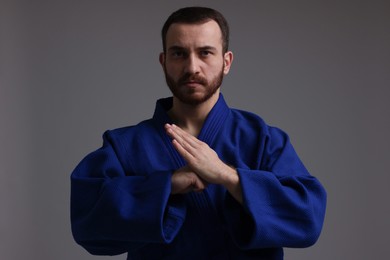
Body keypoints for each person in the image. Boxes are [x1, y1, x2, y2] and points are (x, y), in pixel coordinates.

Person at [70, 6, 327, 260]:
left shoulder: (263, 139)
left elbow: (308, 219)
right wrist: (167, 184)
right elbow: (87, 224)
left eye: (205, 53)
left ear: (226, 62)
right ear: (164, 61)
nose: (192, 67)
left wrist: (228, 176)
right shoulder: (124, 145)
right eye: (179, 53)